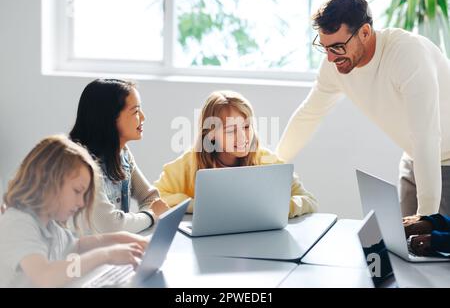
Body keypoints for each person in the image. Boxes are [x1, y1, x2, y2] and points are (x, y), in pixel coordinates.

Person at [276, 0, 450, 222]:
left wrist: (427, 216)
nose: (329, 58)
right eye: (324, 47)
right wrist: (273, 167)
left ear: (365, 32)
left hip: (443, 158)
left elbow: (427, 135)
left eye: (337, 47)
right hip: (414, 159)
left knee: (435, 253)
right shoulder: (335, 65)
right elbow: (309, 115)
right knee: (400, 247)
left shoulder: (407, 55)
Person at [0, 135, 148, 287]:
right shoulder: (18, 222)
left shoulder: (49, 225)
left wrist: (127, 239)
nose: (81, 203)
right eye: (77, 191)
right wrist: (107, 255)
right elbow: (45, 277)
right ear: (49, 181)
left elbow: (78, 247)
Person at [154, 90, 318, 217]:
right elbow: (155, 198)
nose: (242, 137)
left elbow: (309, 200)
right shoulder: (188, 164)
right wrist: (201, 205)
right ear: (210, 133)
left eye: (246, 127)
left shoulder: (266, 160)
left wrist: (273, 207)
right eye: (231, 130)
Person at [70, 79, 169, 234]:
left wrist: (140, 220)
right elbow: (111, 225)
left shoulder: (122, 153)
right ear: (110, 118)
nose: (143, 117)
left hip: (111, 250)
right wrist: (150, 216)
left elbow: (151, 197)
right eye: (136, 111)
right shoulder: (81, 166)